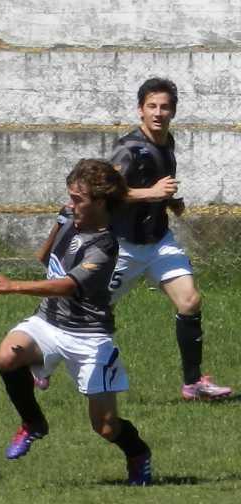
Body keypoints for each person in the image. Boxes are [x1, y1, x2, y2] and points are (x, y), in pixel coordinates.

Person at [0, 159, 152, 486]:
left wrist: (13, 286)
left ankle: (138, 453)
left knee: (105, 427)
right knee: (8, 356)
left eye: (78, 199)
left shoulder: (104, 245)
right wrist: (60, 223)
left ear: (100, 202)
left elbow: (67, 285)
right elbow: (44, 258)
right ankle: (33, 423)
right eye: (71, 197)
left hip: (88, 338)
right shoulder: (69, 218)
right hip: (48, 322)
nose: (71, 204)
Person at [108, 78, 231, 400]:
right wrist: (151, 193)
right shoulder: (127, 149)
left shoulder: (167, 142)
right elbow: (106, 192)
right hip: (123, 246)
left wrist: (170, 201)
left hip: (159, 242)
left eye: (164, 107)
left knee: (189, 301)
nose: (158, 113)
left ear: (173, 111)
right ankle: (39, 360)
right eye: (151, 106)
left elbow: (157, 184)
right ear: (140, 110)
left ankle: (193, 384)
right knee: (89, 312)